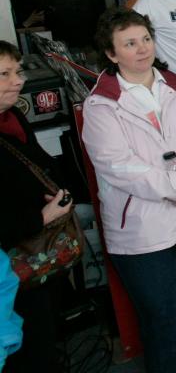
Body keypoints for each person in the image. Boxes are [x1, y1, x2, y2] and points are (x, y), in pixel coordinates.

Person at [82, 9, 176, 373]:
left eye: (145, 39)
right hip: (142, 225)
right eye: (129, 43)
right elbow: (118, 166)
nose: (142, 49)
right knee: (159, 308)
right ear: (111, 55)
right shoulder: (101, 105)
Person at [0, 41, 72, 372]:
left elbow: (40, 164)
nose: (18, 81)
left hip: (39, 256)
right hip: (14, 261)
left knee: (45, 335)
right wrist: (39, 217)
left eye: (18, 71)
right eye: (4, 74)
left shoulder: (11, 116)